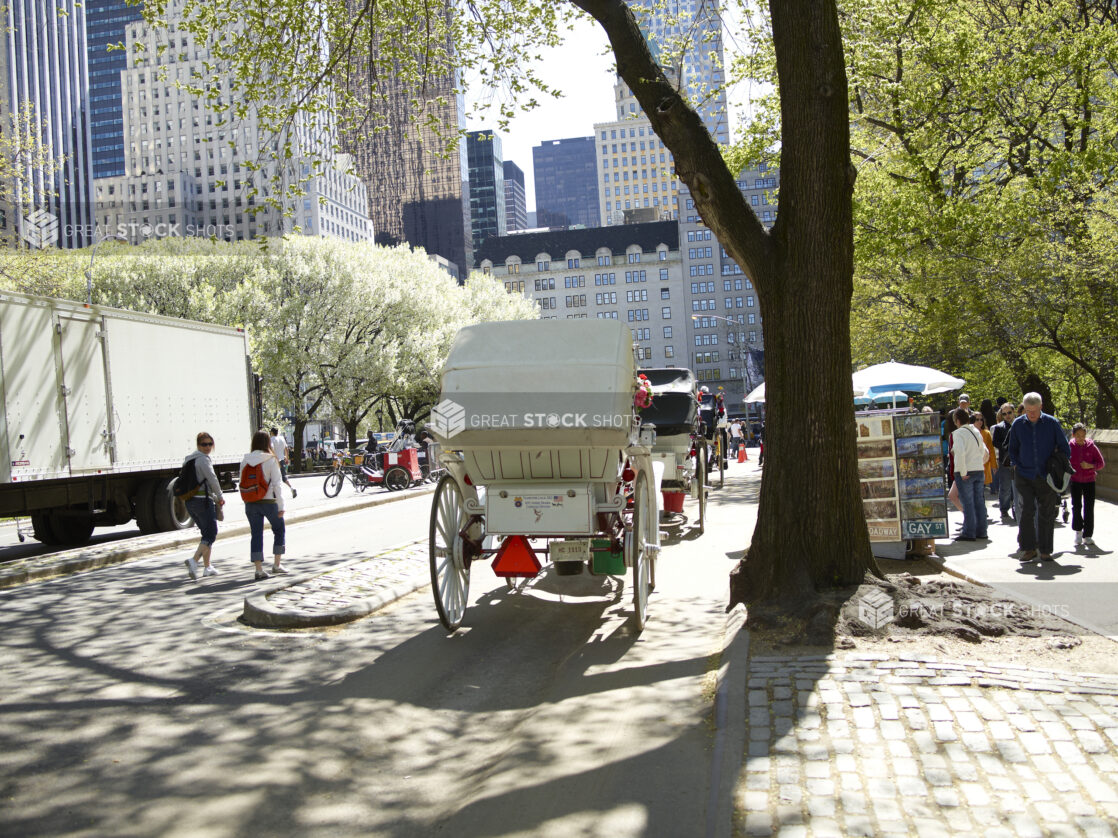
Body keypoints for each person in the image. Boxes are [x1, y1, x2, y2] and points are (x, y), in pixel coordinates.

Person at [1008, 392, 1071, 561]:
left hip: (1046, 476)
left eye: (1034, 410)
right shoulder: (1018, 424)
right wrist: (1016, 463)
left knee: (1047, 513)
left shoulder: (1051, 423)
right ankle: (1029, 549)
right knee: (1026, 511)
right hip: (1024, 474)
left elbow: (1065, 448)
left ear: (1041, 407)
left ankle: (1045, 550)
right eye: (1028, 410)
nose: (1031, 414)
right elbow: (1012, 448)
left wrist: (1056, 463)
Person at [240, 430, 288, 580]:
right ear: (268, 443)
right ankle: (276, 564)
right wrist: (281, 506)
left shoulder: (245, 460)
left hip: (251, 502)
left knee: (256, 534)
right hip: (269, 502)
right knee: (279, 529)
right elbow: (277, 484)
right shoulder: (271, 459)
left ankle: (259, 569)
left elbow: (242, 482)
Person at [182, 431, 225, 580]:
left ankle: (207, 567)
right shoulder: (203, 460)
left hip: (190, 502)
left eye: (210, 444)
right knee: (211, 534)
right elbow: (212, 479)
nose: (207, 447)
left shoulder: (189, 459)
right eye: (204, 444)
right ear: (198, 445)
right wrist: (220, 496)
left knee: (206, 533)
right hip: (203, 502)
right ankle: (194, 561)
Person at [951, 407, 988, 541]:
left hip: (966, 470)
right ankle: (982, 530)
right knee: (979, 501)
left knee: (968, 503)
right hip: (978, 469)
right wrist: (979, 464)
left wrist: (962, 471)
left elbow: (960, 452)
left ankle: (969, 532)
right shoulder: (976, 431)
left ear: (958, 420)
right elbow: (983, 451)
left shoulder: (958, 433)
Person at [1069, 422, 1105, 547]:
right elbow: (1064, 462)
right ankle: (1078, 531)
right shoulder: (1070, 446)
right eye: (1078, 435)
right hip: (1075, 480)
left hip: (1089, 480)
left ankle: (1088, 535)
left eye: (1083, 435)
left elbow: (1101, 463)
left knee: (1089, 507)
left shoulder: (1091, 446)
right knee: (1076, 506)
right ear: (1073, 435)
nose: (1081, 438)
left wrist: (1090, 466)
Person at [991, 403, 1017, 520]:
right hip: (1005, 460)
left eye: (1009, 413)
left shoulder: (1020, 424)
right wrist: (1006, 447)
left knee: (1018, 486)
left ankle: (1017, 508)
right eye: (1004, 413)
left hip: (1019, 461)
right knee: (1005, 487)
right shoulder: (999, 427)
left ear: (1014, 411)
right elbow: (995, 442)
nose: (1007, 416)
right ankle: (1004, 509)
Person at [269, 427, 298, 498]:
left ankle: (274, 493)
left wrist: (273, 456)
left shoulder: (271, 439)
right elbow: (286, 448)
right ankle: (292, 488)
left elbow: (271, 448)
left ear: (272, 432)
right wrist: (287, 458)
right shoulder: (282, 438)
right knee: (284, 477)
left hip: (274, 461)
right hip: (282, 460)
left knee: (272, 476)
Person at [972, 413, 997, 490]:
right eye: (977, 419)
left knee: (980, 491)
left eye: (981, 419)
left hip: (983, 466)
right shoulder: (968, 433)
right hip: (971, 466)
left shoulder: (986, 433)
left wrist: (994, 465)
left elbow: (991, 450)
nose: (980, 421)